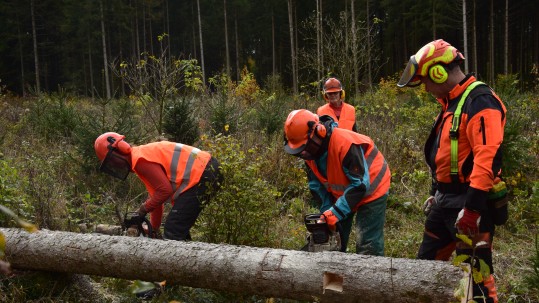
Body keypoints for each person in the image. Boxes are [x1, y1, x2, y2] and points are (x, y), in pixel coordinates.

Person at [397, 39, 507, 303]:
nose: (424, 87)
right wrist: (437, 190)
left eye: (425, 80)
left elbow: (486, 159)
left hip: (471, 202)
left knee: (476, 273)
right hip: (445, 200)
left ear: (439, 71)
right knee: (424, 266)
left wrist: (472, 210)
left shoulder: (479, 101)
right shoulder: (451, 102)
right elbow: (447, 154)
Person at [283, 109, 390, 255]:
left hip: (372, 187)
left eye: (305, 148)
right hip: (345, 191)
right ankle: (337, 268)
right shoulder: (309, 155)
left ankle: (373, 272)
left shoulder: (344, 144)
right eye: (299, 151)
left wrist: (336, 212)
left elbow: (360, 185)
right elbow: (317, 187)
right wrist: (328, 212)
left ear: (319, 132)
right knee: (335, 236)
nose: (303, 154)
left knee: (367, 241)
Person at [94, 132, 222, 241]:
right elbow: (157, 199)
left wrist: (143, 209)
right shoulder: (140, 159)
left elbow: (164, 190)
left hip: (203, 172)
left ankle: (173, 269)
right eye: (110, 163)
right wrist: (153, 230)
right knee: (179, 228)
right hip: (206, 170)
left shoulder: (140, 160)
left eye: (112, 160)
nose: (114, 165)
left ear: (121, 148)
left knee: (174, 228)